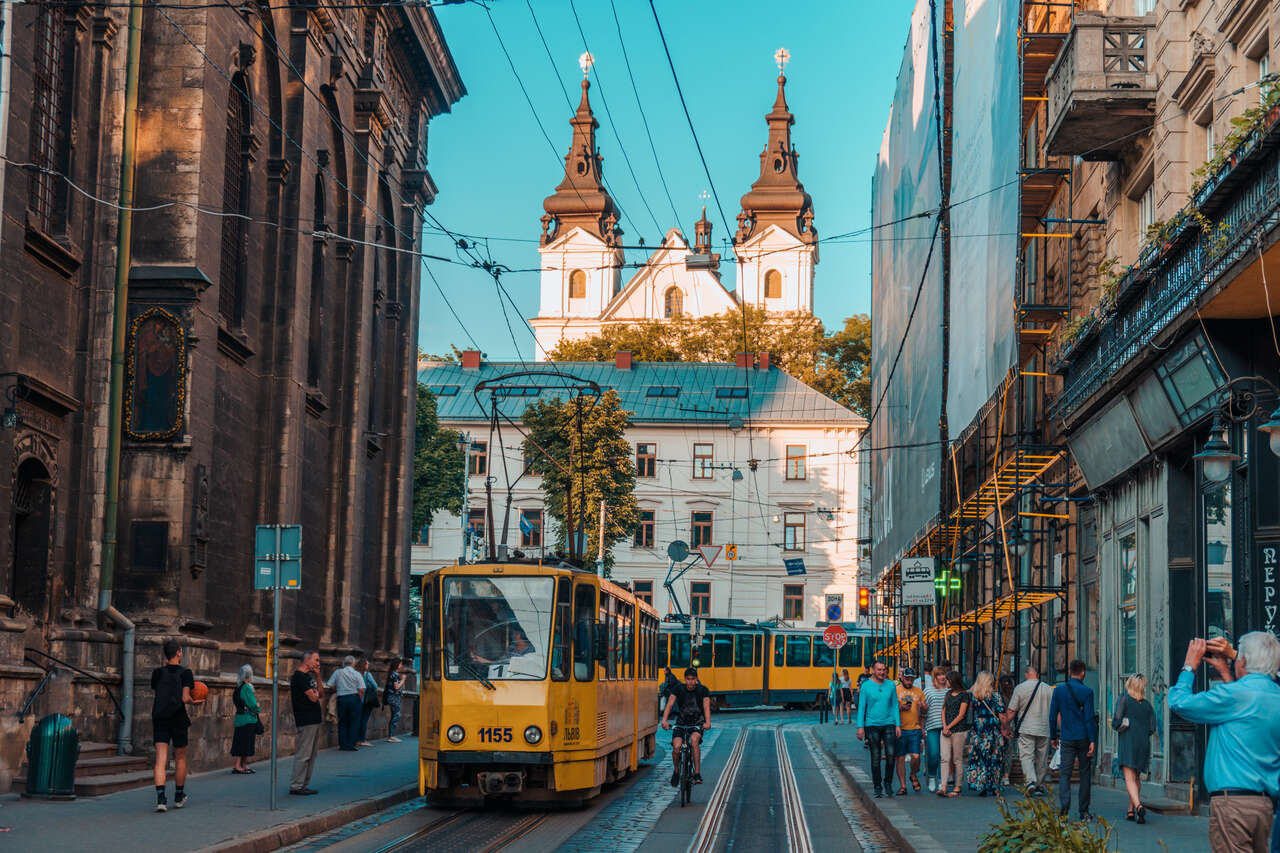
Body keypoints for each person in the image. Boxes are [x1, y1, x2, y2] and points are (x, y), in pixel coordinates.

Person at [1169, 634, 1280, 853]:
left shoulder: (1235, 696)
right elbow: (1244, 712)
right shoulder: (1274, 695)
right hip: (1264, 806)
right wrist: (1226, 673)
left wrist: (1189, 666)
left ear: (1244, 661)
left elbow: (1179, 703)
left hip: (1233, 804)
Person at [151, 638, 204, 812]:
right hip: (178, 717)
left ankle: (161, 799)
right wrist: (195, 702)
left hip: (160, 717)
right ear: (179, 653)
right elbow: (185, 698)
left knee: (161, 758)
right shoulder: (185, 673)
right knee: (180, 757)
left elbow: (158, 691)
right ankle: (179, 795)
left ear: (165, 655)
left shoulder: (157, 673)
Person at [1050, 659, 1097, 820]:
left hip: (1067, 737)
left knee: (1065, 773)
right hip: (1083, 737)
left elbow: (1052, 715)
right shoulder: (1087, 692)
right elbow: (1090, 718)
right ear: (1083, 672)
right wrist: (1092, 740)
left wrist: (1053, 736)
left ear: (1070, 672)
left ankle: (1064, 806)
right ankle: (1084, 811)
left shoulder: (1059, 691)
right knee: (1085, 774)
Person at [1112, 673, 1157, 824]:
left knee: (1129, 778)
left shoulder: (1123, 699)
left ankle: (1138, 806)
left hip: (1128, 741)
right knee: (1137, 778)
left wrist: (1121, 724)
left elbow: (1116, 722)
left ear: (1129, 684)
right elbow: (1152, 728)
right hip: (1143, 743)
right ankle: (1130, 811)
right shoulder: (1147, 705)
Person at [855, 659, 901, 798]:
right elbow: (862, 707)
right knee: (875, 756)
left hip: (889, 723)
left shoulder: (891, 685)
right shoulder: (866, 686)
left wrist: (898, 724)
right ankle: (877, 786)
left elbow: (894, 706)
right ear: (873, 671)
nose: (882, 672)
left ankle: (888, 783)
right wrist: (860, 727)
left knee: (891, 754)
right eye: (879, 669)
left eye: (883, 670)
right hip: (872, 724)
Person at [1005, 664, 1053, 796]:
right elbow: (1054, 711)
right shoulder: (1049, 689)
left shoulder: (1020, 689)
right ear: (1037, 675)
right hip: (1044, 728)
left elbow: (1011, 711)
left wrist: (1005, 725)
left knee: (1026, 756)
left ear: (1027, 674)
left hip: (1027, 728)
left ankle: (1031, 782)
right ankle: (1039, 784)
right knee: (1042, 758)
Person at [661, 667, 711, 785]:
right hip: (681, 723)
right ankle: (677, 771)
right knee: (677, 747)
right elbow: (669, 704)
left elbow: (706, 707)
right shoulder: (679, 689)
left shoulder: (703, 690)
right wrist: (664, 720)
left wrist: (707, 722)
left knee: (694, 741)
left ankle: (697, 773)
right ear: (685, 679)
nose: (690, 682)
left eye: (693, 679)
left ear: (696, 679)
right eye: (688, 679)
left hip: (697, 724)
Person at [965, 671, 1006, 796]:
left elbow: (965, 695)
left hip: (979, 728)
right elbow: (1002, 715)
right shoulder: (995, 696)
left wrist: (974, 687)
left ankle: (980, 784)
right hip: (992, 729)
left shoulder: (974, 695)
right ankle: (994, 786)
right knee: (995, 758)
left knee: (979, 758)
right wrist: (1005, 728)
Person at [289, 651, 323, 795]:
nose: (318, 663)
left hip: (314, 719)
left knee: (311, 755)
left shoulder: (309, 677)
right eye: (316, 660)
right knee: (304, 754)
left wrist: (318, 676)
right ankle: (296, 785)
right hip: (306, 719)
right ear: (307, 660)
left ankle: (303, 784)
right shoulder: (298, 677)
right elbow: (313, 698)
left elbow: (320, 694)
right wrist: (315, 694)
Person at [938, 670, 970, 797]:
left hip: (958, 730)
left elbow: (961, 715)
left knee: (957, 759)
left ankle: (957, 787)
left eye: (948, 680)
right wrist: (945, 726)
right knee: (944, 758)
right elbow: (943, 710)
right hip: (946, 730)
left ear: (953, 681)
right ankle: (944, 786)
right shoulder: (948, 694)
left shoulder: (964, 695)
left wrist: (949, 726)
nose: (946, 682)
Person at [894, 667, 927, 794]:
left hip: (915, 728)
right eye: (907, 678)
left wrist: (924, 707)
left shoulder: (919, 691)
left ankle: (913, 774)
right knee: (900, 758)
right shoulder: (895, 690)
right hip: (900, 728)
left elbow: (924, 713)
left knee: (916, 756)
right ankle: (903, 786)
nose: (909, 681)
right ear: (902, 677)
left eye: (911, 679)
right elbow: (890, 708)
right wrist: (900, 707)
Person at [326, 654, 364, 750]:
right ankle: (351, 744)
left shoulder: (338, 672)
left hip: (341, 698)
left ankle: (342, 745)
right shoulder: (357, 674)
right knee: (354, 722)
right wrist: (359, 699)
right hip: (354, 698)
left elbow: (330, 684)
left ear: (344, 663)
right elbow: (361, 689)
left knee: (342, 722)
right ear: (353, 664)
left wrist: (338, 689)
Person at [922, 663, 950, 792]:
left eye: (943, 674)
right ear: (935, 677)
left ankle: (941, 780)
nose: (942, 677)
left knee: (944, 757)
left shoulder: (949, 691)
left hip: (946, 727)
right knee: (933, 755)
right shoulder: (928, 690)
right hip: (932, 726)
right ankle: (932, 775)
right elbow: (922, 711)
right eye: (939, 675)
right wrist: (922, 727)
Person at [230, 664, 260, 773]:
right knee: (246, 742)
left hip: (240, 718)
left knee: (242, 741)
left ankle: (244, 765)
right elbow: (253, 704)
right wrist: (258, 707)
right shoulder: (247, 687)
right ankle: (239, 765)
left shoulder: (238, 687)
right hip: (248, 718)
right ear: (249, 675)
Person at [998, 674, 1017, 786]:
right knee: (1008, 751)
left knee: (1002, 750)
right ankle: (1006, 776)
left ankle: (1002, 775)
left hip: (1001, 725)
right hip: (1010, 724)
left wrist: (1004, 724)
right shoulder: (1014, 695)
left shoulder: (999, 696)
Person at [356, 656, 379, 747]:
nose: (368, 664)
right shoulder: (367, 674)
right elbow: (375, 685)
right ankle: (362, 739)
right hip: (366, 700)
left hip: (357, 699)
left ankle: (356, 739)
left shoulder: (356, 673)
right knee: (364, 720)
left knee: (357, 720)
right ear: (364, 665)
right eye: (367, 663)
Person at [384, 657, 404, 743]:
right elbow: (396, 687)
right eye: (400, 663)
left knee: (394, 715)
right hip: (394, 698)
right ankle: (391, 736)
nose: (401, 665)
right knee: (396, 715)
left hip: (392, 697)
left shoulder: (391, 673)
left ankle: (391, 735)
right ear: (397, 665)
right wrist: (403, 680)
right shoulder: (395, 674)